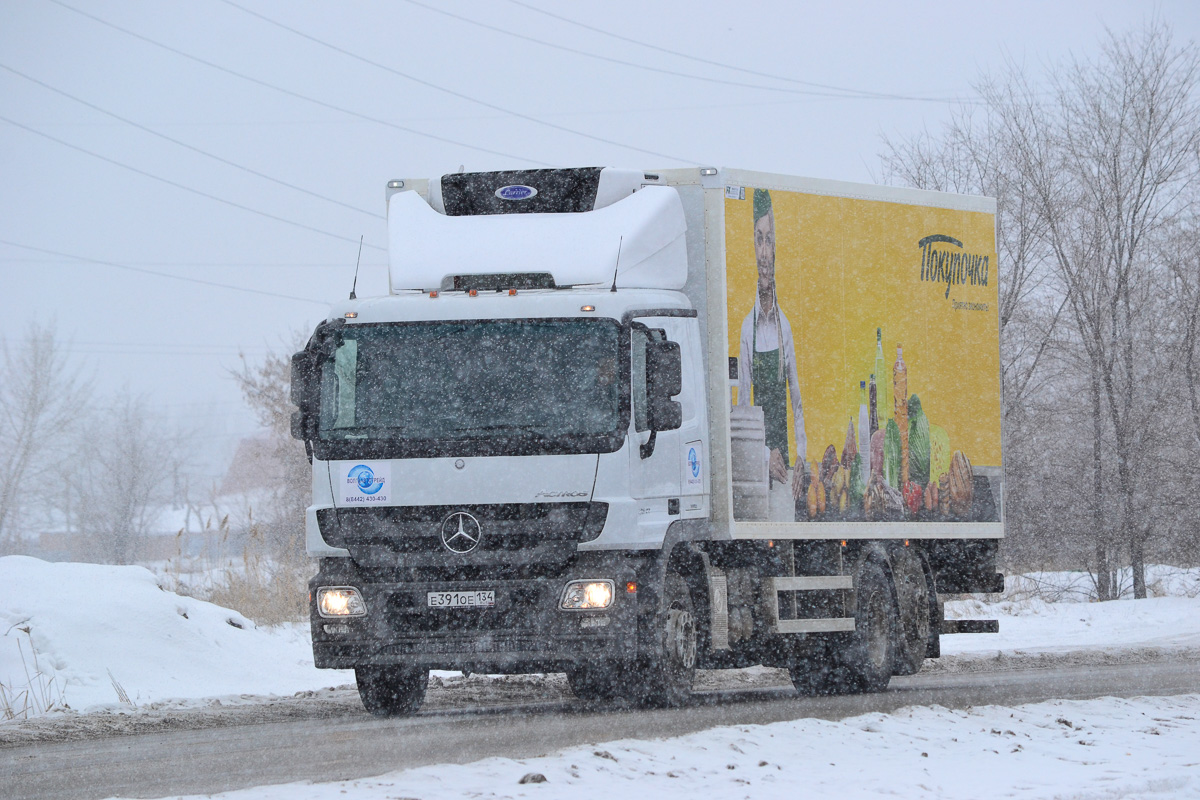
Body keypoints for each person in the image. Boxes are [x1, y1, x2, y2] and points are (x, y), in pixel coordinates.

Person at [737, 188, 807, 508]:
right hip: (760, 470)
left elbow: (797, 403)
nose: (764, 253)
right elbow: (742, 413)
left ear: (776, 249)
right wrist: (766, 454)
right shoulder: (747, 331)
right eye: (759, 239)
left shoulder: (786, 328)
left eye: (769, 240)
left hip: (787, 470)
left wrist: (801, 460)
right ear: (753, 246)